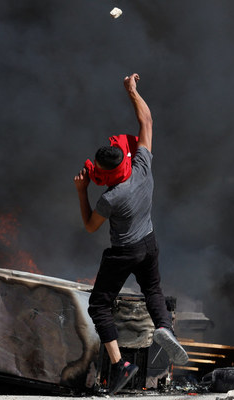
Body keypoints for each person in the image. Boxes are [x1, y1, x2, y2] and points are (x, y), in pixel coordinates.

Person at [73, 73, 189, 395]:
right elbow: (147, 121)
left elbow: (90, 226)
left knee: (99, 304)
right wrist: (132, 92)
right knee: (152, 288)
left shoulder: (110, 198)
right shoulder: (142, 166)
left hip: (123, 251)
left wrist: (82, 192)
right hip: (149, 242)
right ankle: (164, 327)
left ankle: (121, 365)